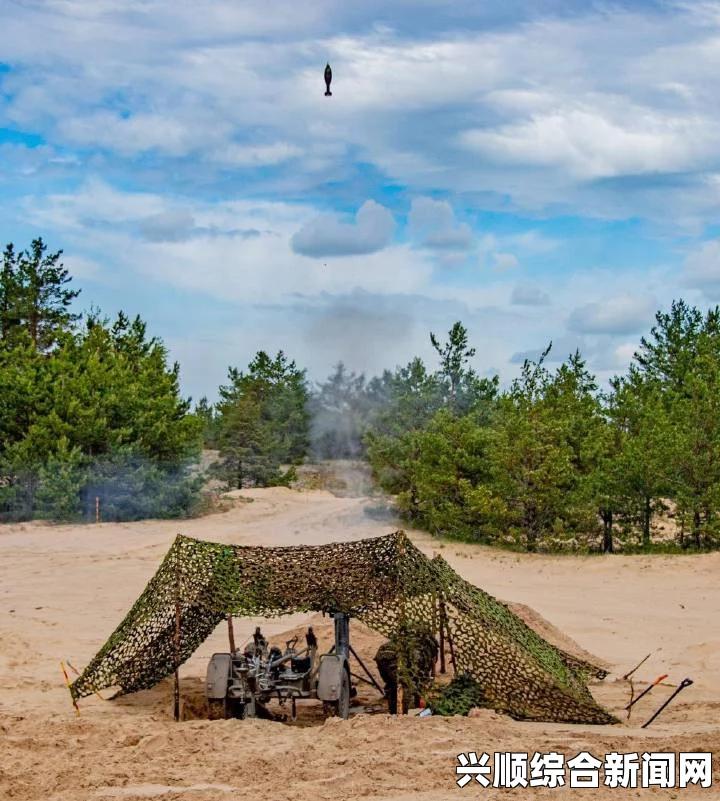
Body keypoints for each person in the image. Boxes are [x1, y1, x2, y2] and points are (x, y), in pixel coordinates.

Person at [374, 625, 439, 714]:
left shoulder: (413, 642)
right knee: (405, 685)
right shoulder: (423, 652)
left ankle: (394, 710)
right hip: (393, 657)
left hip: (382, 655)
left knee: (393, 684)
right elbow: (418, 679)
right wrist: (421, 698)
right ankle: (404, 713)